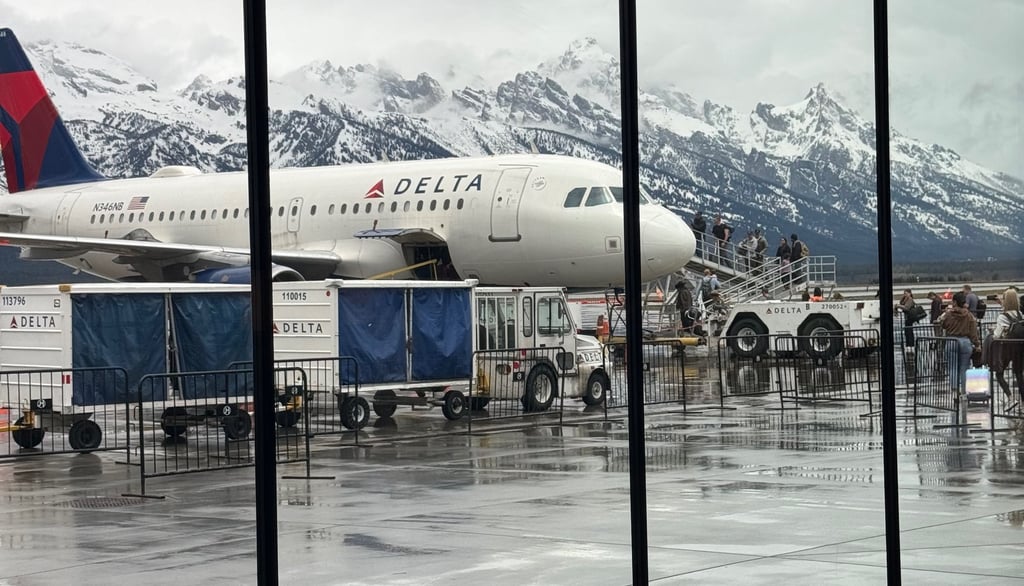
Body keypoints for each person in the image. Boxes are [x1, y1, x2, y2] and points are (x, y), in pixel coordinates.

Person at [937, 291, 980, 392]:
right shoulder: (969, 315)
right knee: (964, 368)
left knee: (952, 367)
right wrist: (977, 344)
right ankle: (964, 391)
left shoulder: (948, 314)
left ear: (955, 302)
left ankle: (955, 391)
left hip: (952, 340)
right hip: (965, 341)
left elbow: (943, 325)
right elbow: (973, 332)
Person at [989, 288, 1024, 403]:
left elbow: (997, 335)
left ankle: (1010, 397)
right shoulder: (1021, 315)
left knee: (999, 373)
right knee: (1019, 374)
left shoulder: (1002, 317)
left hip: (1007, 347)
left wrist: (992, 332)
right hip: (1019, 346)